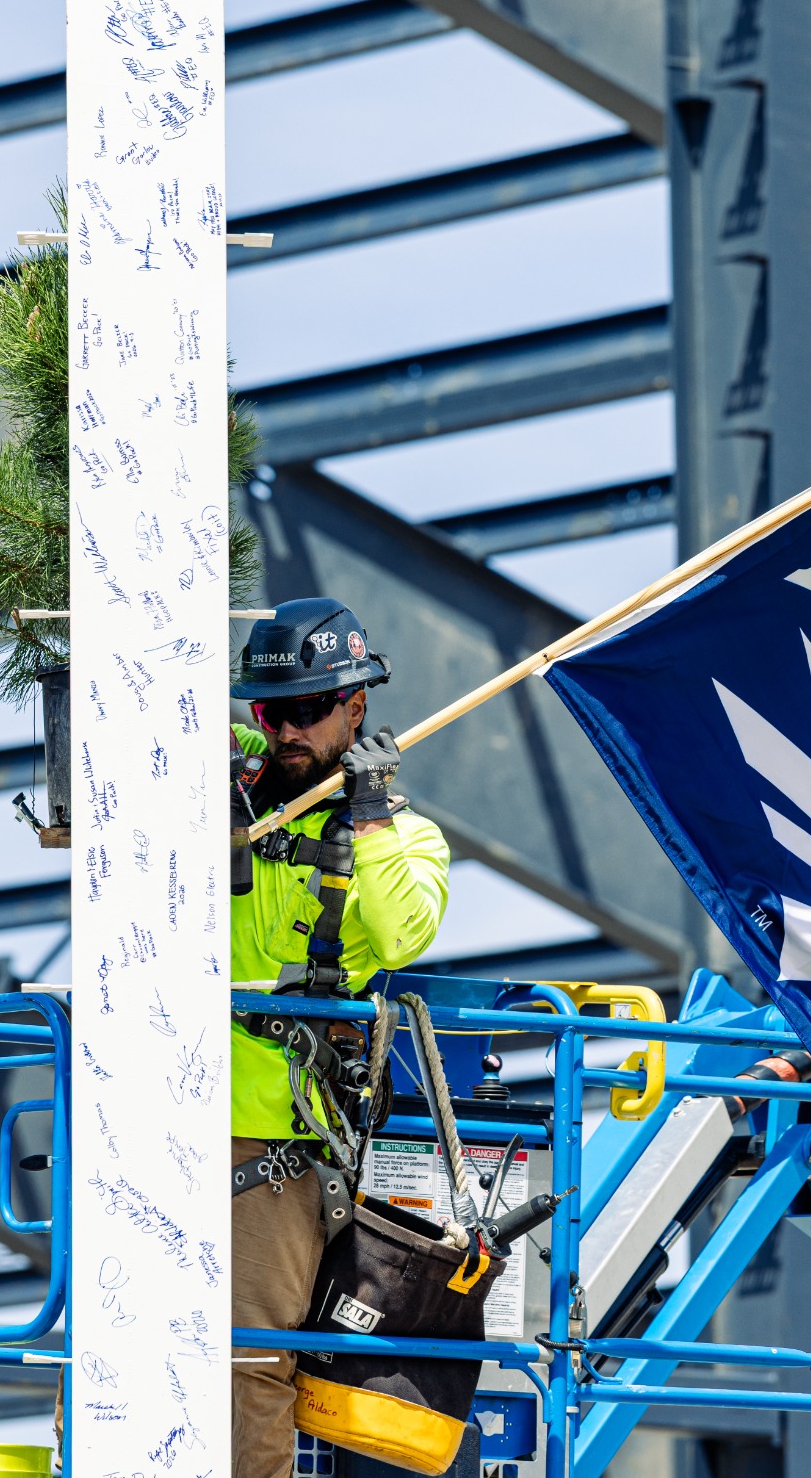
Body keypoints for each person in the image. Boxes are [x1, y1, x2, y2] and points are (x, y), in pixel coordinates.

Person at [228, 597, 451, 1478]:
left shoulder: (404, 839)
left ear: (356, 710)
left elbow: (404, 936)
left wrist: (368, 814)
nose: (285, 731)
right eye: (270, 712)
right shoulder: (227, 802)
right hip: (149, 1114)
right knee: (104, 1337)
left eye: (309, 711)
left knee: (242, 1359)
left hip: (268, 1142)